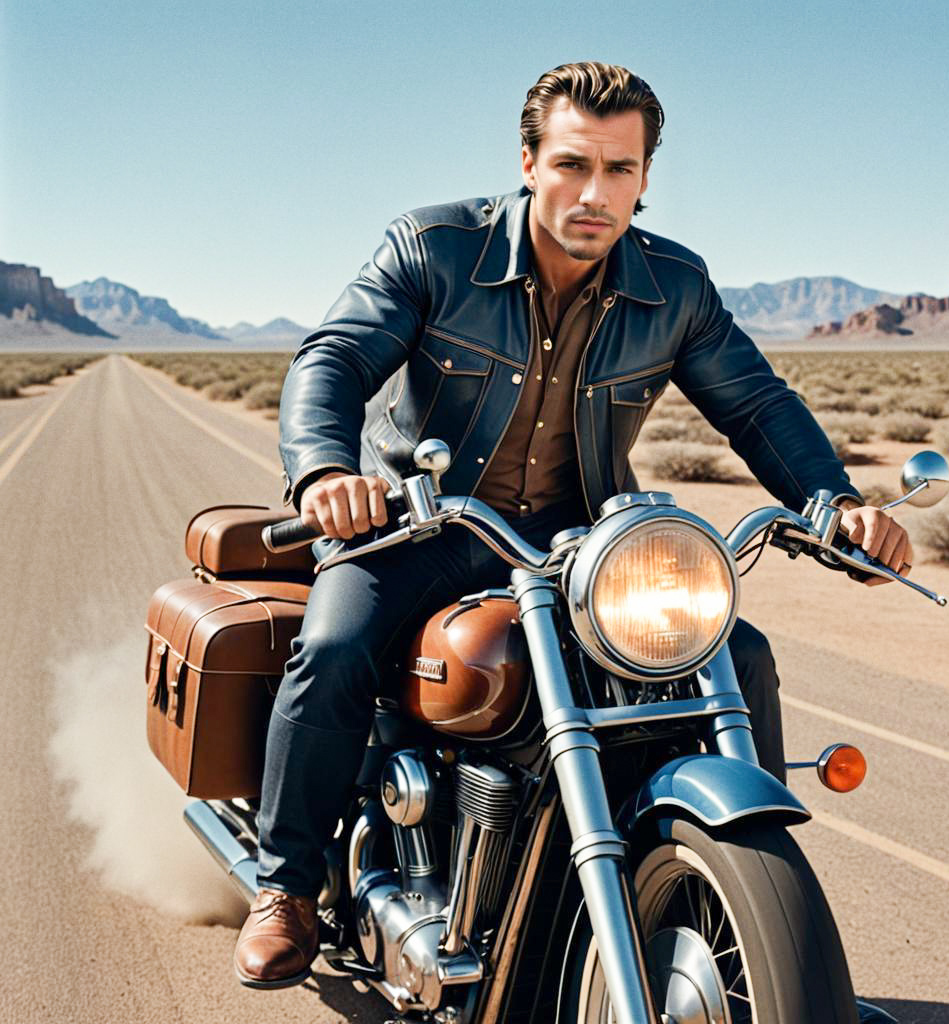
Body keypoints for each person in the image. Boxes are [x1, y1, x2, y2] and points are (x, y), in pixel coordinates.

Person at [233, 62, 912, 1013]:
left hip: (573, 541)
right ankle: (287, 887)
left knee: (737, 654)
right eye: (572, 165)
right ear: (528, 162)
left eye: (620, 170)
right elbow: (336, 356)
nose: (595, 194)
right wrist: (324, 474)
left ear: (645, 178)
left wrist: (834, 503)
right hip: (416, 525)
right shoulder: (431, 248)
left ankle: (739, 908)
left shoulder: (674, 284)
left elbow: (756, 404)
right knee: (337, 646)